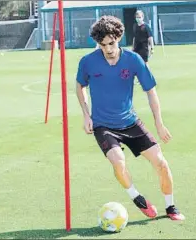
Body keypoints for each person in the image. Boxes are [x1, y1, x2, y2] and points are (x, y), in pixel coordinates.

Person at [75, 15, 185, 221]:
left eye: (111, 43)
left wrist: (159, 124)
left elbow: (151, 91)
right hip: (103, 125)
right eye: (102, 45)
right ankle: (137, 197)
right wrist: (86, 114)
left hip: (130, 122)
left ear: (119, 38)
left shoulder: (133, 60)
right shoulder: (88, 62)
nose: (108, 49)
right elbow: (80, 86)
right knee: (118, 161)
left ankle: (170, 207)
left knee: (161, 163)